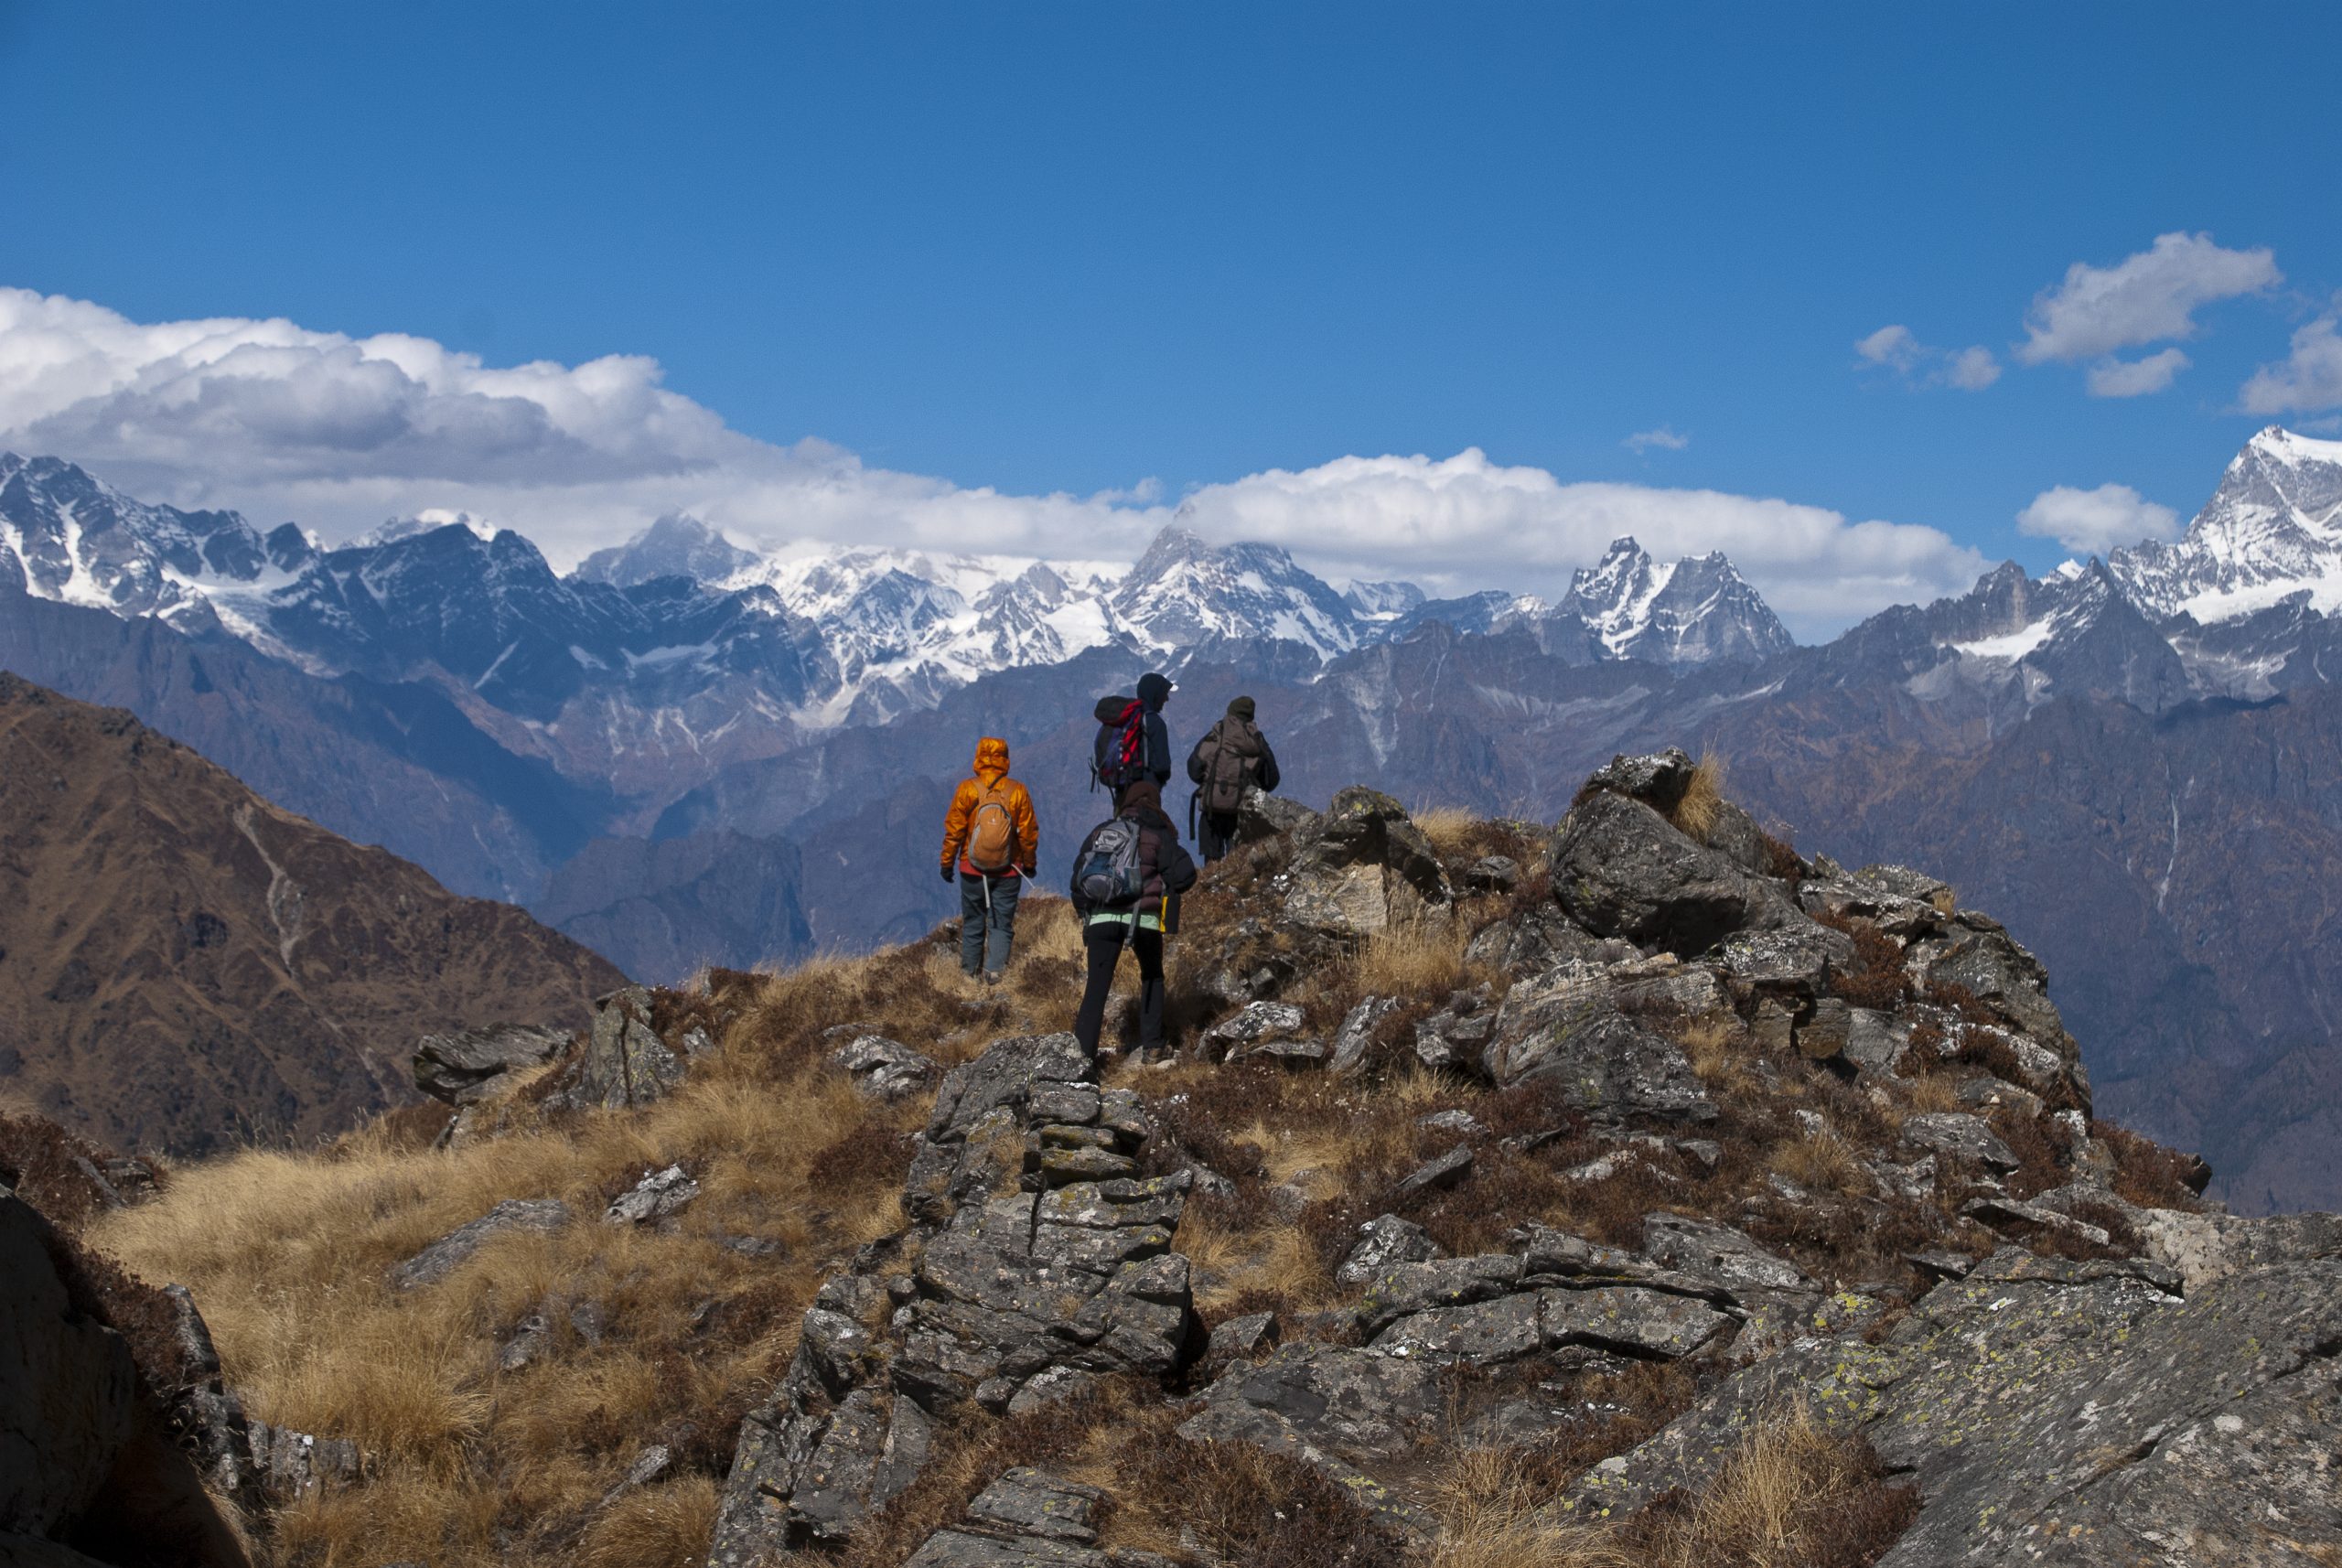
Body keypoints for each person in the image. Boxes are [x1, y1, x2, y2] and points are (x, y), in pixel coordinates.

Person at [1069, 778, 1197, 1061]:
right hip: (1144, 922)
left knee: (1096, 990)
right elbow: (1186, 874)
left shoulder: (1101, 832)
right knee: (1152, 975)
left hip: (1101, 919)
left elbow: (1078, 878)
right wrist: (1165, 888)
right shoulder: (1159, 834)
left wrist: (1085, 913)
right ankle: (1152, 1045)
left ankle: (1081, 1060)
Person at [938, 736, 1039, 981]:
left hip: (971, 868)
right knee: (1001, 924)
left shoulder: (967, 789)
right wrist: (1029, 864)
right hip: (1009, 869)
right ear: (1005, 759)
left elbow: (954, 831)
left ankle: (968, 976)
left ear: (979, 757)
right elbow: (1028, 833)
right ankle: (995, 975)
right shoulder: (1017, 791)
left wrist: (947, 863)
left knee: (973, 923)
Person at [1185, 694, 1281, 864]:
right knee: (1238, 861)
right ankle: (1236, 886)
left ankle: (1212, 886)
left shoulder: (1215, 735)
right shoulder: (1256, 741)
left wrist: (1210, 783)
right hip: (1241, 812)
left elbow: (1193, 769)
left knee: (1211, 861)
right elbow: (1272, 779)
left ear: (1230, 713)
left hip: (1211, 810)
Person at [1091, 671, 1175, 802]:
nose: (1166, 699)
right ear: (1155, 695)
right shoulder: (1155, 723)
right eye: (1164, 694)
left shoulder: (1128, 720)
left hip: (1121, 792)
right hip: (1146, 793)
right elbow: (1161, 766)